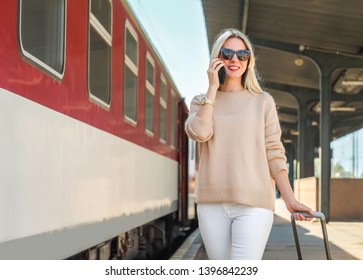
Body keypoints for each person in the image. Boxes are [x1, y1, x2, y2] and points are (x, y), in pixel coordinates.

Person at [184, 28, 313, 260]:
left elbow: (274, 152)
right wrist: (212, 88)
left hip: (254, 204)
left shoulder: (263, 102)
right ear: (217, 58)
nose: (235, 60)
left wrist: (289, 199)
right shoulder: (201, 102)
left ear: (249, 61)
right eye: (227, 53)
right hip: (211, 205)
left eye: (242, 55)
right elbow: (199, 133)